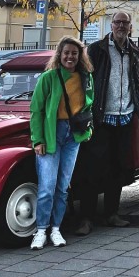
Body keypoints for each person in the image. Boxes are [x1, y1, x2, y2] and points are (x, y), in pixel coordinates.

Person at [72, 11, 139, 236]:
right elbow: (85, 80)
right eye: (118, 22)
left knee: (118, 168)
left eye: (125, 23)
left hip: (125, 117)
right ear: (111, 25)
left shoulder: (134, 52)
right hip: (102, 117)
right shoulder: (97, 49)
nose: (121, 26)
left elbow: (136, 83)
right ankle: (86, 218)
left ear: (130, 27)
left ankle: (112, 214)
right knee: (92, 169)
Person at [29, 36, 94, 250]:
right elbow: (36, 111)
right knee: (47, 186)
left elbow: (88, 107)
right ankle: (40, 230)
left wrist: (88, 131)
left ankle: (56, 229)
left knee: (63, 186)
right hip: (51, 133)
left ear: (79, 56)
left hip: (73, 135)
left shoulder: (86, 77)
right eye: (66, 53)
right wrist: (37, 140)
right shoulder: (48, 78)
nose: (70, 57)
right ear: (60, 54)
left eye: (74, 53)